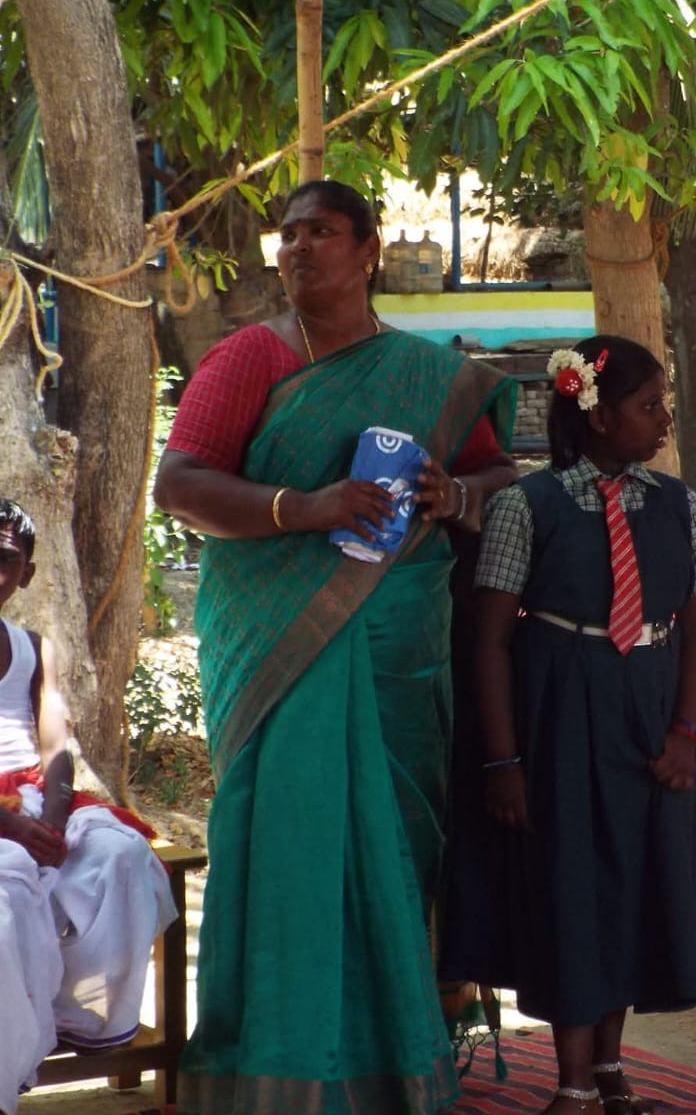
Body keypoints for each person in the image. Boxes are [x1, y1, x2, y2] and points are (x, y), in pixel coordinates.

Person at [152, 179, 518, 1115]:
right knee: (288, 844)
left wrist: (454, 498)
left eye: (321, 232)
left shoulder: (427, 372)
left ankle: (401, 1061)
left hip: (402, 650)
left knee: (395, 845)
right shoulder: (249, 358)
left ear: (368, 251)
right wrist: (303, 508)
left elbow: (495, 471)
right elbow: (181, 483)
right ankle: (276, 1070)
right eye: (288, 233)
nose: (298, 247)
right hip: (279, 650)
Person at [437, 335, 696, 1115]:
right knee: (571, 881)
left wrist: (685, 735)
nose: (665, 419)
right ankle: (570, 1081)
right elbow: (490, 640)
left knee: (633, 878)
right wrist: (503, 762)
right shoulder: (527, 508)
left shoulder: (678, 504)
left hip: (649, 708)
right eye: (649, 404)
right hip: (561, 708)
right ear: (595, 414)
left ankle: (608, 1070)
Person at [0, 498, 177, 1106]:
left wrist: (49, 815)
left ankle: (82, 1020)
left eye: (4, 559)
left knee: (119, 854)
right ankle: (17, 1040)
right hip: (4, 819)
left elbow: (57, 745)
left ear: (25, 572)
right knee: (13, 878)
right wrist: (17, 831)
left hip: (30, 795)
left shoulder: (33, 647)